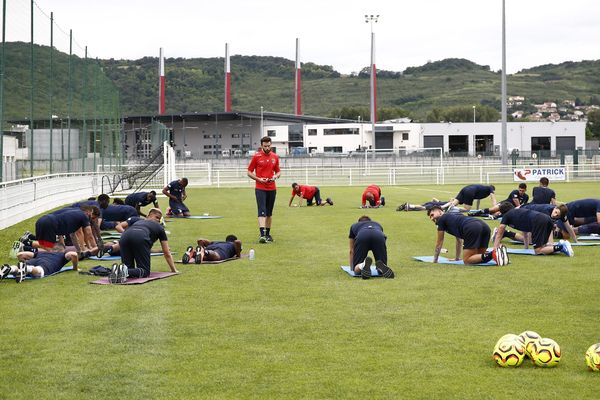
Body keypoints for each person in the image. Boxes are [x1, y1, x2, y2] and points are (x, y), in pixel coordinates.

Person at [112, 208, 178, 282]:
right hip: (139, 236)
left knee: (128, 269)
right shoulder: (160, 228)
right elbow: (166, 252)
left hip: (125, 236)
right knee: (145, 271)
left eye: (159, 219)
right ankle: (123, 271)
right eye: (156, 217)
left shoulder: (138, 221)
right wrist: (174, 270)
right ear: (149, 215)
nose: (157, 220)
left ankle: (120, 271)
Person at [427, 206, 508, 265]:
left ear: (440, 212)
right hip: (484, 226)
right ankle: (497, 253)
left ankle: (494, 253)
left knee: (467, 260)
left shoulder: (441, 219)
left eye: (432, 215)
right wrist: (457, 258)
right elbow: (459, 240)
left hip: (472, 228)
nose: (431, 219)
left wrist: (435, 260)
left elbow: (439, 242)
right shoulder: (452, 217)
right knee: (478, 258)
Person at [493, 202, 574, 256]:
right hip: (546, 219)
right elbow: (525, 232)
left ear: (503, 212)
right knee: (544, 247)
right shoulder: (518, 214)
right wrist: (526, 248)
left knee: (538, 251)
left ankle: (561, 247)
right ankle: (558, 247)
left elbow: (499, 233)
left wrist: (495, 249)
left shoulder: (507, 215)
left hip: (539, 220)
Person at [247, 136, 281, 243]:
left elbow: (278, 171)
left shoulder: (275, 157)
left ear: (271, 145)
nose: (267, 148)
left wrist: (275, 176)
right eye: (265, 146)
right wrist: (259, 179)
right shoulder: (256, 157)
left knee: (269, 213)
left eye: (269, 145)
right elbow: (249, 172)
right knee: (262, 211)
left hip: (272, 188)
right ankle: (262, 235)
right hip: (260, 188)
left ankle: (268, 234)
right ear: (261, 146)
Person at [33, 205, 100, 252]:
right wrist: (95, 248)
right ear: (88, 212)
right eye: (91, 216)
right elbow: (89, 234)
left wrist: (79, 250)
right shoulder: (84, 216)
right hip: (49, 223)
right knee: (50, 249)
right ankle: (28, 242)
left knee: (43, 245)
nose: (90, 218)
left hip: (41, 220)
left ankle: (27, 245)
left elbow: (72, 235)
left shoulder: (74, 214)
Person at [1, 250, 79, 284]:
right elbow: (73, 254)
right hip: (47, 264)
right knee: (39, 271)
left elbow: (20, 254)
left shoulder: (41, 252)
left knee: (16, 271)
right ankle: (27, 268)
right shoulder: (62, 255)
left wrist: (23, 262)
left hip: (33, 260)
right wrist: (74, 268)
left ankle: (11, 268)